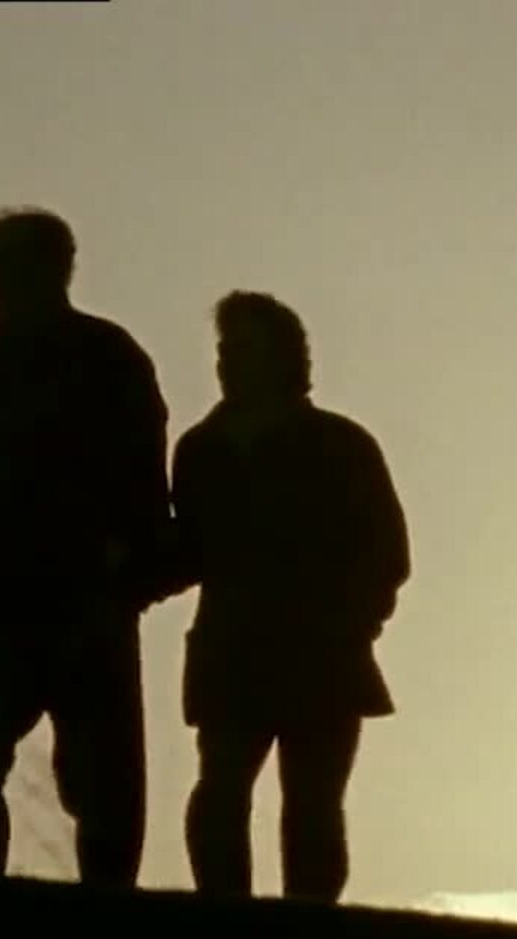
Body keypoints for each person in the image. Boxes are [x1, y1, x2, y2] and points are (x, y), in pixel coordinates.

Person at [0, 207, 172, 888]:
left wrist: (133, 571)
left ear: (49, 271)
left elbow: (144, 476)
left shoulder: (108, 356)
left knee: (101, 775)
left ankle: (103, 905)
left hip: (86, 598)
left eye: (2, 270)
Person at [162, 291, 410, 901]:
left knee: (313, 804)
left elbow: (386, 552)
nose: (228, 362)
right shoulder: (200, 449)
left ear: (284, 357)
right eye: (225, 350)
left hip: (321, 652)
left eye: (244, 349)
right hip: (230, 649)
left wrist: (354, 623)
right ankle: (226, 923)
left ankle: (308, 931)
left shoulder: (341, 445)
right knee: (220, 792)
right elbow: (187, 551)